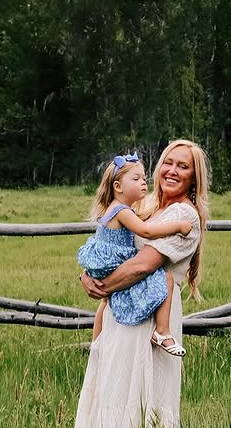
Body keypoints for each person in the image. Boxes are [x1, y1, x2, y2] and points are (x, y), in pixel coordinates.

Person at [74, 139, 210, 428]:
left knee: (145, 390)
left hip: (152, 309)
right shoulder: (145, 205)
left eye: (183, 166)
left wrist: (103, 286)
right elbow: (112, 245)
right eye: (168, 163)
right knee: (116, 385)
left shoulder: (184, 215)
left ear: (194, 178)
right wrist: (86, 276)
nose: (172, 171)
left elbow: (142, 265)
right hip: (123, 306)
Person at [77, 152, 193, 357]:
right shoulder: (124, 211)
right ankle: (162, 331)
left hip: (104, 263)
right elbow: (146, 232)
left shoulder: (118, 208)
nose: (143, 182)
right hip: (115, 263)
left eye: (144, 178)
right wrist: (178, 226)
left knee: (105, 302)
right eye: (136, 179)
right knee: (166, 278)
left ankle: (96, 343)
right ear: (118, 186)